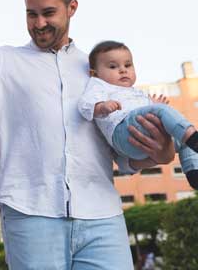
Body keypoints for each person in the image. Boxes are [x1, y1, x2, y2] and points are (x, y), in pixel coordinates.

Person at [0, 0, 175, 269]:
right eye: (31, 14)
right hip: (30, 214)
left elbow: (122, 150)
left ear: (71, 8)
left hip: (102, 215)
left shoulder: (99, 70)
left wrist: (160, 154)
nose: (39, 24)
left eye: (48, 13)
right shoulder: (5, 61)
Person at [79, 40, 198, 188]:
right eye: (113, 66)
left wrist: (151, 104)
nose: (123, 70)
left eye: (127, 65)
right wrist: (101, 107)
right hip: (123, 132)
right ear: (94, 73)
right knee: (165, 114)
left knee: (184, 142)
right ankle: (194, 137)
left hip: (141, 144)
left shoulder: (135, 92)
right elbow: (85, 104)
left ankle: (193, 172)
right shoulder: (98, 84)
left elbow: (142, 110)